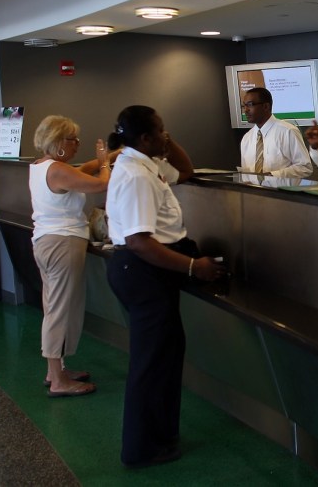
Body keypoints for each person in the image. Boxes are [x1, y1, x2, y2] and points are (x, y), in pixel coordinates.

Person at [104, 105, 226, 468]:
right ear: (145, 138)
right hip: (143, 273)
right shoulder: (136, 176)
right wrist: (193, 266)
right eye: (160, 131)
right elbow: (140, 242)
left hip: (147, 271)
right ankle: (143, 449)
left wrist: (168, 144)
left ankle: (161, 437)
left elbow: (185, 171)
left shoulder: (146, 164)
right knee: (152, 364)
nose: (166, 135)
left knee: (163, 357)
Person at [30, 115, 110, 397]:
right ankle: (58, 381)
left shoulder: (42, 166)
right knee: (60, 311)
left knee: (54, 307)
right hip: (63, 244)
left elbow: (81, 171)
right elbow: (100, 184)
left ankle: (55, 371)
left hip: (47, 242)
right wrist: (105, 163)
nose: (77, 143)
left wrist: (107, 156)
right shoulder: (57, 171)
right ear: (58, 142)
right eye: (72, 139)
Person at [239, 87, 313, 178]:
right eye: (244, 106)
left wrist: (273, 175)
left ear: (266, 107)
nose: (246, 110)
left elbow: (305, 168)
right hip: (253, 188)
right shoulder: (247, 138)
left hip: (280, 187)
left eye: (250, 105)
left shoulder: (288, 131)